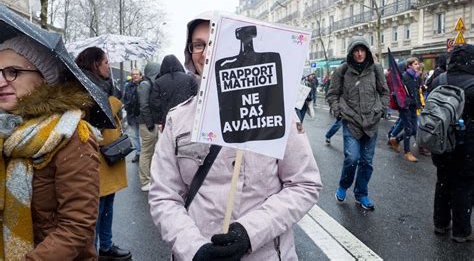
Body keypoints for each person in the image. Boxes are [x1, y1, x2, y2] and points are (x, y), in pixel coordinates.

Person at [148, 14, 322, 260]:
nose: (206, 51)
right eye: (198, 44)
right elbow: (164, 195)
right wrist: (193, 248)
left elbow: (304, 184)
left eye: (215, 41)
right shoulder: (178, 119)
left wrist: (249, 232)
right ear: (190, 54)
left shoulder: (278, 110)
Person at [0, 35, 100, 259]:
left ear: (45, 77)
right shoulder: (4, 131)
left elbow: (77, 228)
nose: (1, 81)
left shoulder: (71, 135)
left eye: (12, 72)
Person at [75, 47, 132, 260]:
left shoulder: (104, 85)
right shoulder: (85, 87)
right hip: (97, 156)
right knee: (95, 209)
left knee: (108, 204)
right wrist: (114, 100)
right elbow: (99, 116)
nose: (109, 65)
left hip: (110, 154)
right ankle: (94, 251)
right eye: (105, 62)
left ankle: (106, 246)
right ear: (94, 64)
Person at [326, 36, 389, 210]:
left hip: (371, 121)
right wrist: (338, 111)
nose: (359, 54)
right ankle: (343, 185)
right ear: (351, 52)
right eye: (356, 50)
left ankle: (361, 194)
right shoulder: (342, 70)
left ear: (367, 52)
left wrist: (382, 108)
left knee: (367, 161)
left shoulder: (376, 69)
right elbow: (332, 94)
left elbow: (384, 92)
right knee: (352, 158)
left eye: (362, 50)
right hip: (351, 121)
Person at [428, 44, 474, 243]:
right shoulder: (473, 83)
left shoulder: (439, 80)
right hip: (466, 146)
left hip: (440, 142)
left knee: (443, 181)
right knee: (463, 186)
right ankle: (461, 231)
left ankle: (440, 223)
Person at [150, 54, 198, 130]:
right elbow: (196, 98)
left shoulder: (158, 82)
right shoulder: (189, 79)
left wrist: (159, 120)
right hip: (186, 117)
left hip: (168, 118)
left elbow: (155, 103)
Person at [388, 57, 422, 162]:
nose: (418, 66)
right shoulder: (405, 77)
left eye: (418, 64)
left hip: (413, 107)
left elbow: (416, 92)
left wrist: (419, 104)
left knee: (414, 130)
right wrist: (406, 103)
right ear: (409, 66)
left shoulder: (416, 77)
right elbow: (400, 93)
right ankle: (407, 152)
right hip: (405, 107)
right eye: (415, 64)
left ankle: (396, 139)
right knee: (408, 129)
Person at [136, 62, 161, 192]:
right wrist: (150, 123)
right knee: (146, 152)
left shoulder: (147, 84)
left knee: (149, 151)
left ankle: (148, 178)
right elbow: (144, 105)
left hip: (148, 122)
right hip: (146, 123)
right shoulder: (145, 85)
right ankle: (145, 180)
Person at [123, 68, 142, 163]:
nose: (135, 76)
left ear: (140, 75)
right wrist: (127, 105)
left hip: (141, 114)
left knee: (142, 135)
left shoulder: (143, 85)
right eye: (133, 74)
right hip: (131, 114)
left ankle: (144, 154)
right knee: (134, 136)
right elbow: (125, 98)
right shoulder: (128, 86)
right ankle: (138, 153)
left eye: (137, 74)